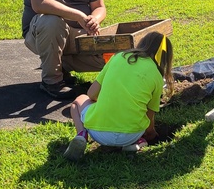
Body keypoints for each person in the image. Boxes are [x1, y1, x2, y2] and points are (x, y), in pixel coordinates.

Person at [63, 31, 174, 161]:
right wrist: (151, 134)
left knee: (78, 101)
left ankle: (81, 135)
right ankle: (135, 142)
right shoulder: (156, 76)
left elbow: (91, 94)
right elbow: (149, 116)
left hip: (98, 133)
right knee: (138, 115)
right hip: (132, 134)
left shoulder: (118, 57)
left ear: (142, 43)